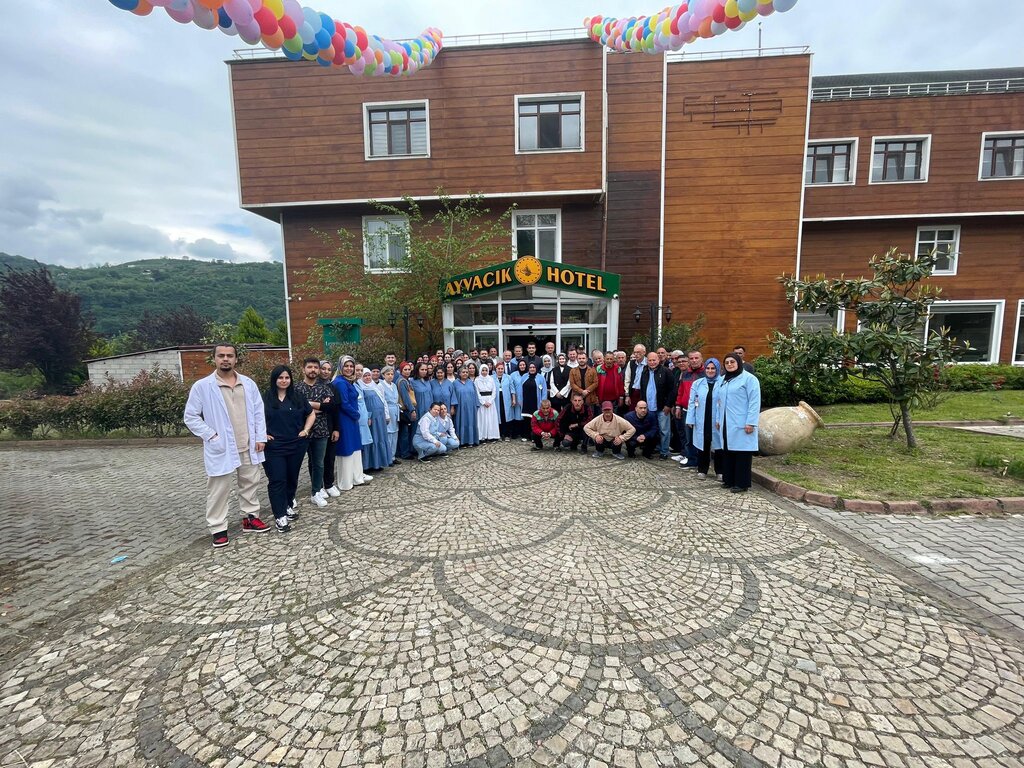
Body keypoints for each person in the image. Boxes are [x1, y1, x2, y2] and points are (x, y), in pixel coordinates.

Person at [183, 343, 269, 549]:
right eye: (221, 355)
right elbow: (191, 416)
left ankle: (250, 517)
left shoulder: (248, 384)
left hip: (247, 444)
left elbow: (259, 412)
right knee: (218, 489)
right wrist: (211, 435)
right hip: (222, 446)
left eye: (229, 355)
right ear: (214, 358)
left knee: (250, 483)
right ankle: (218, 527)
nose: (225, 359)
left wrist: (260, 437)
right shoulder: (203, 386)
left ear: (236, 359)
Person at [261, 364, 315, 532]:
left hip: (296, 445)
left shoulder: (297, 397)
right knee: (278, 480)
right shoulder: (265, 398)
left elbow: (311, 414)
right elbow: (254, 417)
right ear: (274, 379)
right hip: (274, 447)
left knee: (292, 478)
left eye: (287, 377)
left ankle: (288, 504)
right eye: (280, 377)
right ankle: (280, 516)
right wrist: (262, 434)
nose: (284, 381)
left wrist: (306, 430)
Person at [714, 353, 761, 493]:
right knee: (728, 451)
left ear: (739, 363)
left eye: (732, 362)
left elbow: (754, 402)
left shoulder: (749, 379)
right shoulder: (723, 380)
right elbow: (718, 402)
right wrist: (718, 419)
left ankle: (741, 483)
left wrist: (751, 422)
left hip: (742, 422)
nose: (729, 364)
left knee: (742, 453)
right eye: (727, 362)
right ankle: (728, 480)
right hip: (726, 422)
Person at [294, 357, 334, 508]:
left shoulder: (325, 388)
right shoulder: (296, 388)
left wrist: (308, 406)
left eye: (316, 367)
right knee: (295, 465)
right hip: (300, 431)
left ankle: (316, 492)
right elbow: (295, 408)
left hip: (321, 430)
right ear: (303, 369)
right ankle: (291, 496)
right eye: (310, 367)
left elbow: (329, 408)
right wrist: (318, 407)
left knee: (318, 463)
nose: (313, 370)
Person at [332, 356, 370, 491]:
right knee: (347, 449)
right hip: (345, 420)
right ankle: (346, 482)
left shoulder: (348, 381)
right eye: (346, 366)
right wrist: (357, 414)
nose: (349, 369)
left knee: (355, 448)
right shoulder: (340, 382)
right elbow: (344, 403)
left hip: (351, 419)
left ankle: (356, 478)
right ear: (340, 367)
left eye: (351, 366)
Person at [687, 358, 724, 480]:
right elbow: (692, 402)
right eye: (708, 368)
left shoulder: (723, 383)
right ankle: (702, 469)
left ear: (718, 369)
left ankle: (720, 471)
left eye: (713, 368)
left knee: (719, 445)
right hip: (702, 418)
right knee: (703, 444)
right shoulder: (698, 383)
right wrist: (690, 419)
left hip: (717, 419)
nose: (710, 370)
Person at [637, 351, 675, 460]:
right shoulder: (644, 372)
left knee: (664, 430)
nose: (652, 362)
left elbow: (672, 390)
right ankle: (655, 448)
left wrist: (668, 405)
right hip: (648, 407)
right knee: (652, 429)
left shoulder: (666, 372)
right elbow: (642, 389)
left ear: (658, 360)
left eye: (654, 360)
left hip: (662, 407)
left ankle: (664, 451)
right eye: (650, 360)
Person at [674, 350, 704, 468]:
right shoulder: (685, 374)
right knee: (688, 436)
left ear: (701, 359)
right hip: (687, 409)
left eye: (696, 358)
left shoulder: (707, 373)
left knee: (701, 436)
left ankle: (702, 460)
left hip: (702, 410)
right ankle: (691, 458)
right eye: (691, 358)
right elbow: (681, 392)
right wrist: (678, 406)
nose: (694, 360)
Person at [357, 368, 390, 473]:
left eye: (368, 375)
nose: (367, 378)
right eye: (365, 376)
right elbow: (362, 405)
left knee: (380, 438)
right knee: (371, 439)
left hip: (380, 417)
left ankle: (378, 463)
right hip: (371, 418)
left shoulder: (376, 386)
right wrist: (367, 417)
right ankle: (368, 465)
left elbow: (383, 400)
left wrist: (386, 415)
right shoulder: (360, 388)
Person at [319, 360, 341, 495]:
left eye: (328, 369)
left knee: (330, 457)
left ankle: (329, 483)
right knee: (316, 460)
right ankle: (318, 486)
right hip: (315, 428)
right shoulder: (312, 386)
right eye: (323, 368)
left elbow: (335, 408)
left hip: (330, 426)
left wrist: (336, 429)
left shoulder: (332, 388)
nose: (326, 372)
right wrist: (322, 405)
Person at [452, 365, 480, 447]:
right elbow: (453, 395)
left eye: (466, 372)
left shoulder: (471, 382)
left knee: (471, 423)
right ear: (459, 373)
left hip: (471, 408)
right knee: (460, 423)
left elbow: (475, 394)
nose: (465, 374)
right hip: (460, 408)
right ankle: (461, 441)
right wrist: (453, 406)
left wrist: (476, 405)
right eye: (463, 372)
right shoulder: (455, 383)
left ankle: (471, 441)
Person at [518, 362, 547, 440]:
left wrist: (543, 402)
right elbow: (520, 389)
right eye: (530, 367)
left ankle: (535, 436)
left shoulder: (541, 378)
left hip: (536, 402)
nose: (532, 369)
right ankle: (526, 435)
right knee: (526, 419)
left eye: (533, 367)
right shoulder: (524, 377)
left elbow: (544, 391)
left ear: (536, 368)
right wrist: (519, 400)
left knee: (535, 419)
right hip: (526, 401)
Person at [380, 365, 401, 466]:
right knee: (388, 435)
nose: (390, 376)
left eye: (392, 374)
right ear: (383, 375)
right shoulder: (381, 385)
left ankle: (393, 456)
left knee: (395, 434)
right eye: (388, 374)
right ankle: (387, 458)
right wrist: (386, 414)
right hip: (387, 410)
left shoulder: (394, 385)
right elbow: (383, 400)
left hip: (395, 411)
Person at [396, 362, 417, 460]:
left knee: (405, 431)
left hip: (406, 409)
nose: (407, 371)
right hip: (405, 410)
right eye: (405, 369)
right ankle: (404, 453)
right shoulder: (402, 382)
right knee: (404, 432)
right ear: (401, 370)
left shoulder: (406, 380)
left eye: (409, 369)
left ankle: (403, 451)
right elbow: (406, 398)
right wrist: (412, 409)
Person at [475, 363, 500, 442]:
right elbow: (476, 392)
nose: (484, 372)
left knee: (491, 419)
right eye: (483, 370)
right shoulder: (477, 380)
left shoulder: (491, 379)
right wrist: (483, 402)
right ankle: (482, 436)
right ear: (480, 371)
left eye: (486, 370)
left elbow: (494, 391)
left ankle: (492, 436)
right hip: (482, 402)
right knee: (482, 419)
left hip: (490, 402)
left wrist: (490, 401)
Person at [495, 361, 517, 441]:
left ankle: (507, 434)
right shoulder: (492, 378)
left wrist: (513, 399)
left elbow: (512, 389)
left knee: (506, 416)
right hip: (497, 400)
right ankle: (500, 434)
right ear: (496, 369)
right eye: (499, 369)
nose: (500, 370)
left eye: (502, 369)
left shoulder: (508, 377)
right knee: (498, 416)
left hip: (506, 399)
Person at [509, 359, 528, 439]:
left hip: (526, 398)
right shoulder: (513, 375)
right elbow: (511, 387)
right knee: (516, 415)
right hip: (516, 397)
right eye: (520, 365)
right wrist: (513, 398)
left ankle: (524, 433)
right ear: (518, 366)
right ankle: (516, 433)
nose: (522, 366)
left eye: (523, 365)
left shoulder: (528, 374)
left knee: (525, 415)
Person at [624, 344, 647, 410]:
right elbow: (627, 379)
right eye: (635, 352)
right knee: (632, 411)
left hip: (644, 393)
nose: (636, 354)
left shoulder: (648, 363)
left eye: (638, 352)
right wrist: (627, 395)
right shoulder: (631, 363)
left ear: (644, 352)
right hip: (633, 392)